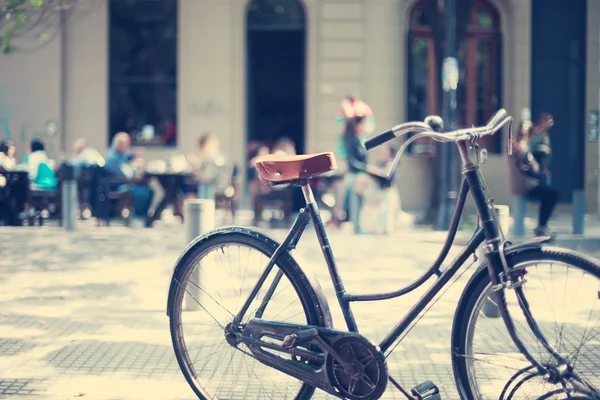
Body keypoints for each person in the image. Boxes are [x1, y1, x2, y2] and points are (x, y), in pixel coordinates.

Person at [507, 121, 559, 236]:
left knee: (548, 190)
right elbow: (530, 166)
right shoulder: (519, 145)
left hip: (526, 182)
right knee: (551, 195)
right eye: (528, 132)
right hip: (524, 184)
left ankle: (542, 226)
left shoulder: (521, 144)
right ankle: (541, 226)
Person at [105, 132, 153, 223]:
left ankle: (142, 217)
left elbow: (128, 156)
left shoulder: (119, 154)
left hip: (125, 183)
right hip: (118, 186)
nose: (128, 147)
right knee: (143, 192)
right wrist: (133, 174)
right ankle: (138, 218)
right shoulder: (112, 157)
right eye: (127, 145)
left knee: (148, 190)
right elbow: (120, 174)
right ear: (119, 145)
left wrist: (134, 156)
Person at [530, 112, 553, 182]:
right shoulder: (535, 133)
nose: (551, 122)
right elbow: (531, 147)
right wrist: (542, 148)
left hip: (543, 168)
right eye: (549, 119)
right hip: (535, 166)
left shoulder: (544, 134)